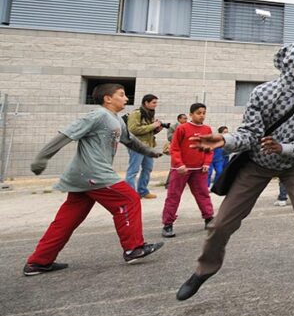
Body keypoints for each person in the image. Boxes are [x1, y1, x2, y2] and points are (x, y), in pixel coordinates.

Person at [175, 42, 294, 316]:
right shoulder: (263, 93)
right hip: (257, 164)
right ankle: (203, 270)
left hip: (293, 166)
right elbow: (249, 134)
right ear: (292, 59)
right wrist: (224, 140)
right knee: (220, 224)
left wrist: (284, 148)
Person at [23, 83, 164, 276]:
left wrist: (152, 152)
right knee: (129, 199)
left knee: (67, 220)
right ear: (108, 98)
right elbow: (67, 133)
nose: (126, 99)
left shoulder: (117, 120)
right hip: (94, 174)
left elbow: (130, 141)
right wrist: (42, 157)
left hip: (85, 177)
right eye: (122, 95)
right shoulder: (97, 115)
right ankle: (134, 248)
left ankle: (38, 262)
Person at [162, 103, 215, 238]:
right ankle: (167, 224)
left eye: (204, 112)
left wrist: (207, 163)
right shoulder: (182, 129)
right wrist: (179, 164)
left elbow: (209, 148)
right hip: (180, 169)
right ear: (191, 114)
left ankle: (209, 219)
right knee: (173, 196)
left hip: (199, 169)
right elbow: (174, 148)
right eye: (198, 113)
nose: (202, 115)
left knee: (203, 194)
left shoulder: (207, 129)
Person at [125, 93, 163, 199]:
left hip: (148, 147)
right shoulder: (136, 114)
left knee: (147, 168)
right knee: (133, 171)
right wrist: (152, 126)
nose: (155, 105)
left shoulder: (149, 114)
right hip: (137, 146)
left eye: (156, 103)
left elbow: (148, 132)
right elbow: (132, 130)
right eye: (153, 103)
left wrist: (156, 129)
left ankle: (143, 191)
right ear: (146, 103)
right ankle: (131, 195)